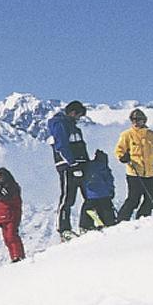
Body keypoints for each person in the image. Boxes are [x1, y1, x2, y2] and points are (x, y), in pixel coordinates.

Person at [46, 101, 90, 238]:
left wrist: (87, 162)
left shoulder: (73, 127)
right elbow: (61, 145)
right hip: (67, 166)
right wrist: (72, 163)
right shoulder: (60, 124)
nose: (79, 119)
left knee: (89, 195)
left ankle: (86, 224)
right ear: (72, 113)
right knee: (68, 197)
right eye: (79, 116)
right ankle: (63, 228)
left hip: (80, 164)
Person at [0, 167, 25, 262]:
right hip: (4, 216)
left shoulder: (11, 187)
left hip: (11, 215)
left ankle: (18, 256)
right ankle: (14, 257)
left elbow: (4, 197)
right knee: (7, 239)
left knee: (11, 236)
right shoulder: (2, 187)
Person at [79, 149, 119, 230]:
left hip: (90, 195)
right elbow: (109, 180)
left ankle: (86, 225)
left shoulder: (87, 166)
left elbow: (83, 181)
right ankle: (108, 223)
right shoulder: (104, 167)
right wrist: (111, 191)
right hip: (104, 194)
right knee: (106, 210)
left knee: (88, 208)